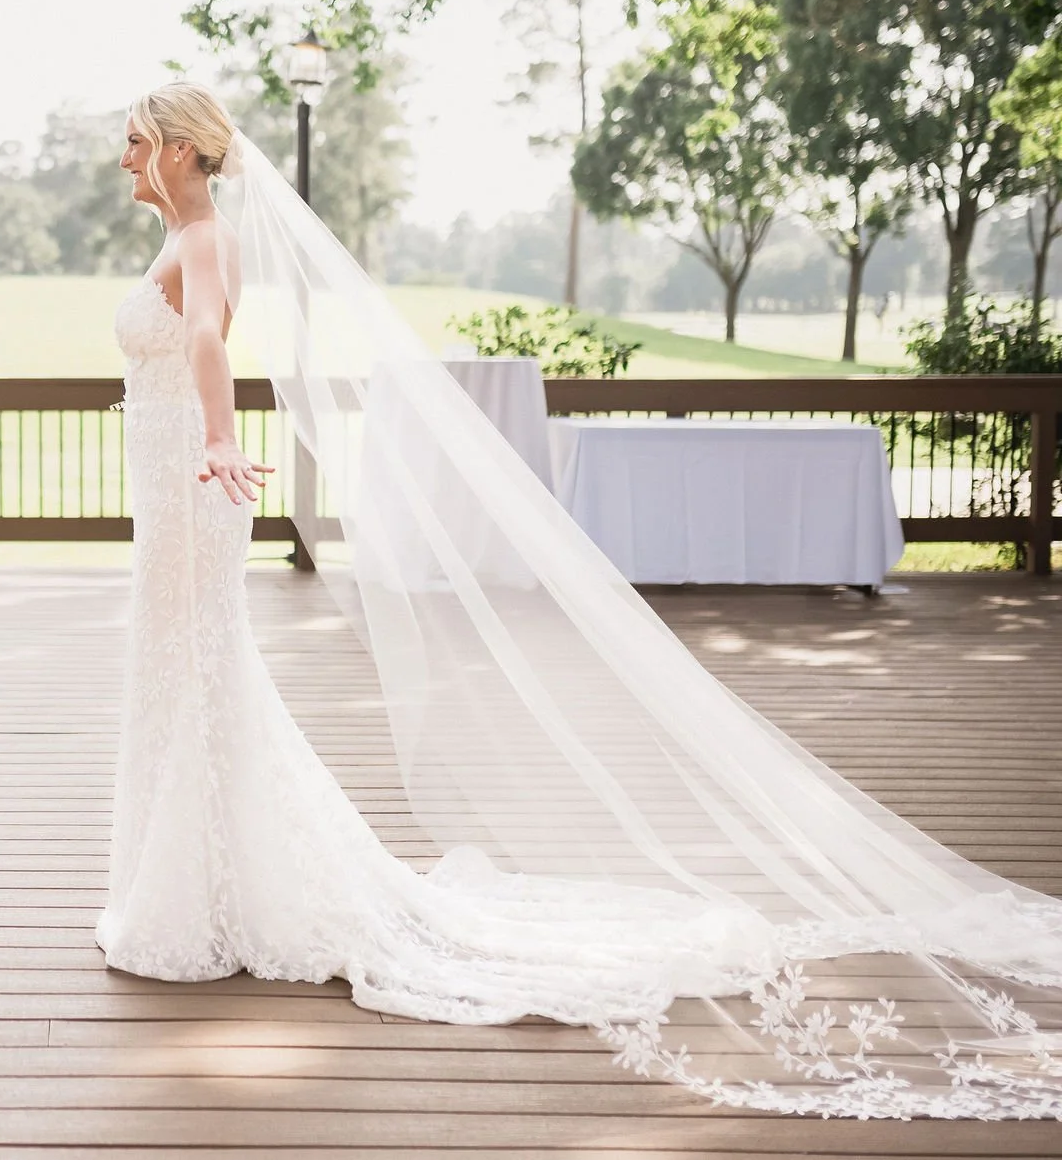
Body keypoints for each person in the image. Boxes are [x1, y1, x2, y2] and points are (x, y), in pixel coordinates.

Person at [100, 80, 1062, 1118]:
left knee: (197, 669)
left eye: (138, 142)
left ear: (186, 153)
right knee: (184, 672)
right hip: (172, 488)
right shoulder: (183, 232)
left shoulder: (204, 242)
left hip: (195, 485)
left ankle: (202, 894)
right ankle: (197, 881)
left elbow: (205, 341)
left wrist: (212, 441)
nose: (124, 161)